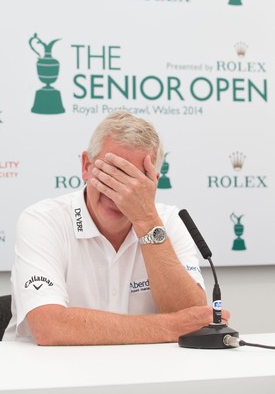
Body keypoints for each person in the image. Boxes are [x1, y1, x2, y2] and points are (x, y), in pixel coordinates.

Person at [4, 111, 229, 345]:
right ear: (86, 166)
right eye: (111, 172)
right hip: (45, 376)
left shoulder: (170, 221)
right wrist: (172, 325)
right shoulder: (43, 220)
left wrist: (146, 221)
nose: (121, 191)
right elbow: (49, 327)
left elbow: (193, 319)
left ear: (154, 182)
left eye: (135, 180)